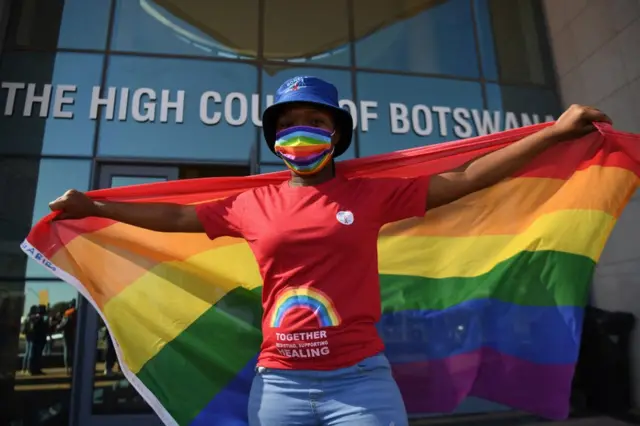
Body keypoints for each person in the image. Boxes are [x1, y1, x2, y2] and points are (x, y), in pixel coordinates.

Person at [49, 76, 611, 426]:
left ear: (336, 135)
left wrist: (554, 134)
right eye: (288, 126)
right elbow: (175, 216)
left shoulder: (368, 195)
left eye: (314, 124)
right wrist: (95, 207)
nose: (300, 135)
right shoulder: (252, 202)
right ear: (273, 139)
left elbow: (464, 179)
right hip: (279, 387)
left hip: (360, 385)